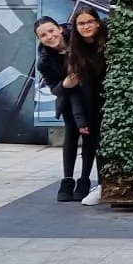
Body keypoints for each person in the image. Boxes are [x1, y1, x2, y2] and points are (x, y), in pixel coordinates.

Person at [34, 16, 79, 202]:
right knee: (71, 136)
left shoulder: (77, 39)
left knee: (94, 139)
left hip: (90, 95)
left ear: (60, 29)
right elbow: (54, 89)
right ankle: (67, 180)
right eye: (43, 35)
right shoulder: (44, 61)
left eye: (51, 31)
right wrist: (66, 84)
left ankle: (88, 181)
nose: (49, 36)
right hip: (68, 98)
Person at [65, 7, 106, 199]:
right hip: (89, 103)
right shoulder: (75, 51)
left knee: (104, 145)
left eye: (90, 21)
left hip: (108, 100)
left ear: (98, 23)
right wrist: (80, 119)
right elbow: (74, 89)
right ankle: (90, 183)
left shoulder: (107, 43)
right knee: (92, 142)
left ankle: (104, 184)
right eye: (81, 23)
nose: (86, 26)